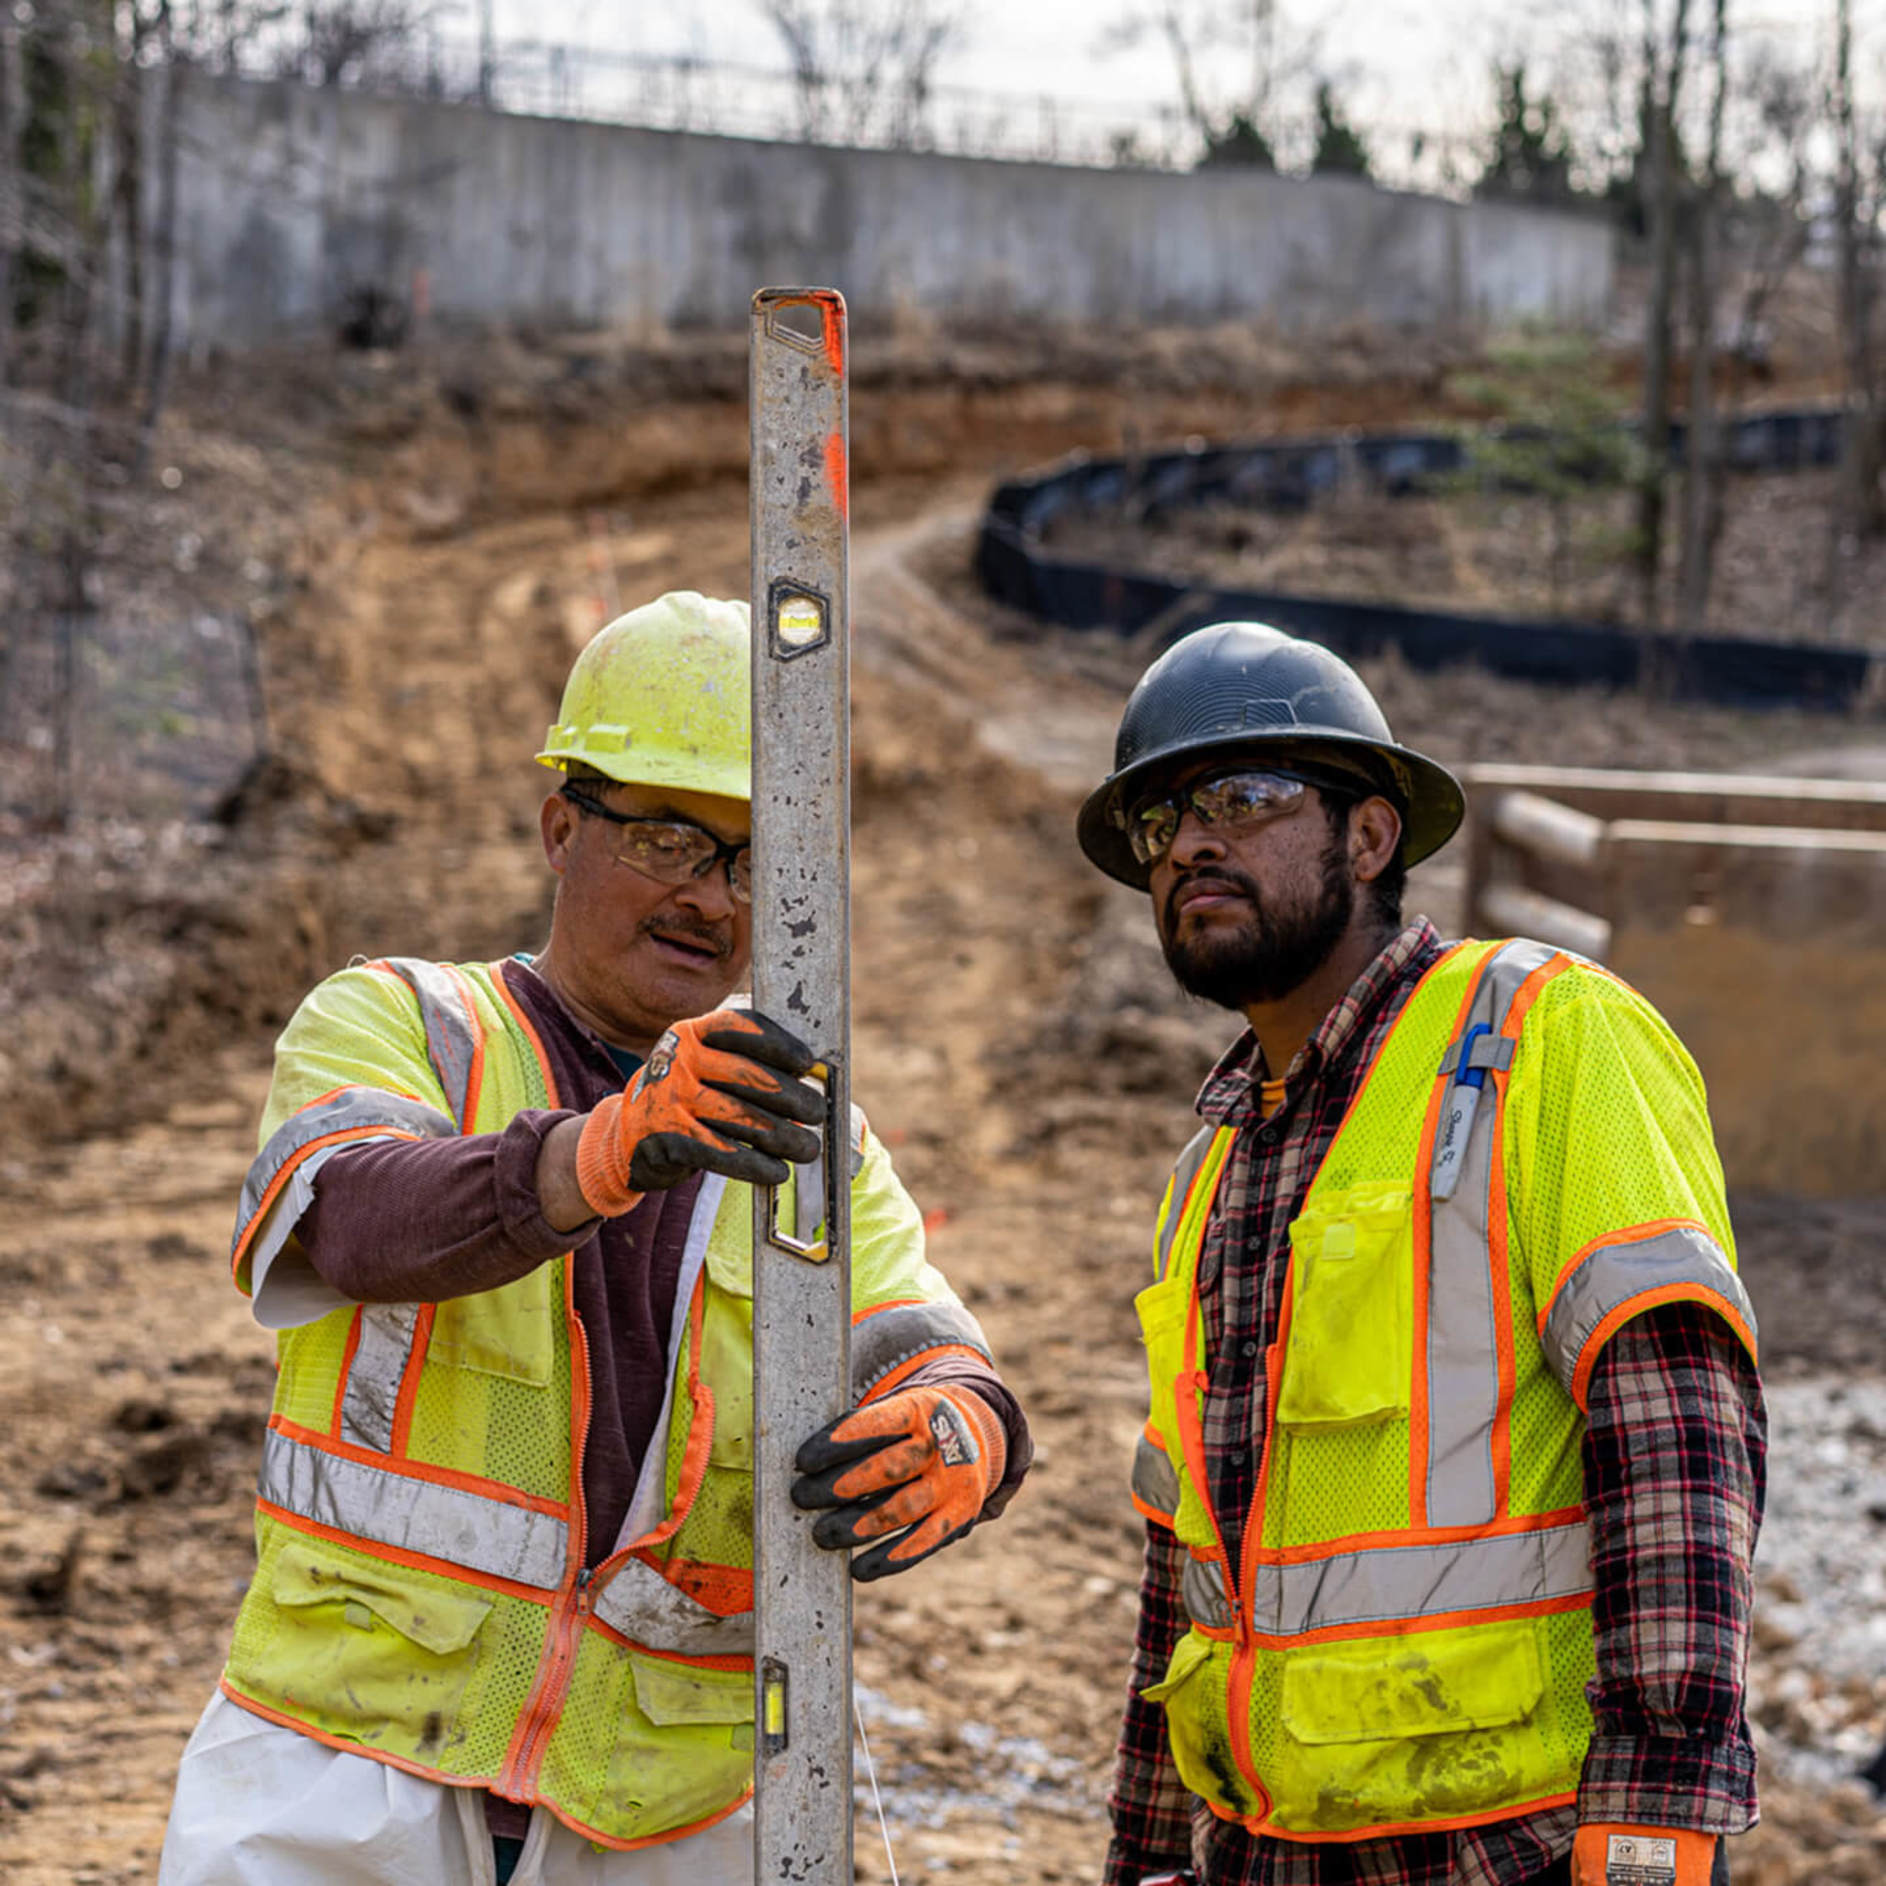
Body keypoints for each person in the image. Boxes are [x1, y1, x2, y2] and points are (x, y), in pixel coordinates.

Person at [159, 591, 1031, 1886]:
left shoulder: (810, 1139)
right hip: (352, 1768)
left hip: (662, 1808)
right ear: (561, 825)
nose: (711, 897)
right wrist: (597, 1152)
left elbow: (912, 1331)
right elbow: (346, 1217)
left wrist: (965, 1424)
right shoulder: (409, 1023)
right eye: (673, 838)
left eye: (753, 856)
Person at [1081, 622, 1762, 1886]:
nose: (1188, 843)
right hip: (1262, 1854)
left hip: (1509, 1850)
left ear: (1369, 835)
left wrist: (1656, 1831)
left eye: (1241, 795)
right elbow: (1184, 1574)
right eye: (1160, 820)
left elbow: (1674, 1426)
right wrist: (1145, 1853)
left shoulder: (1538, 1034)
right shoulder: (1209, 1175)